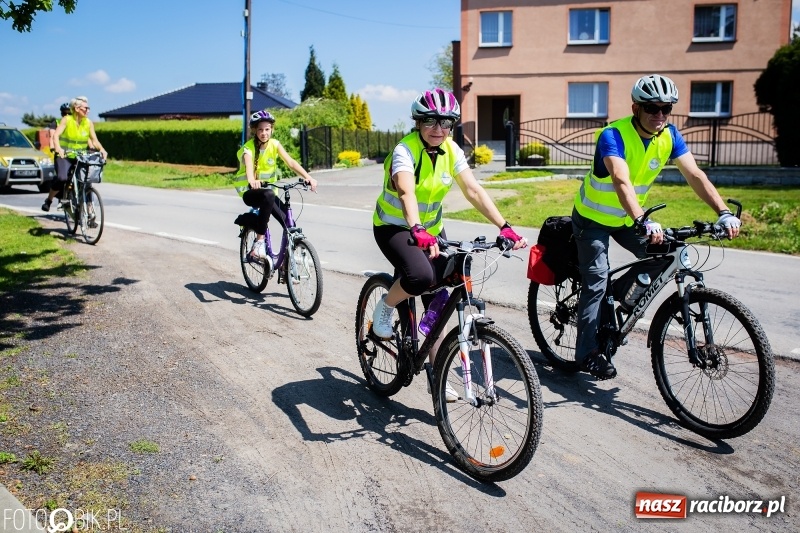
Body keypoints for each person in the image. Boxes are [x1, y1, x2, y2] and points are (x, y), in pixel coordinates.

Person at [572, 74, 741, 380]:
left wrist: (724, 211)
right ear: (636, 107)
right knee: (596, 281)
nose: (660, 114)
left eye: (666, 108)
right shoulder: (613, 135)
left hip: (627, 220)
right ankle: (587, 353)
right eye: (653, 108)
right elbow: (621, 180)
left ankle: (619, 296)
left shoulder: (669, 136)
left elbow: (695, 175)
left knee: (671, 253)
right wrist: (643, 220)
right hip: (593, 219)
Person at [370, 88, 527, 399]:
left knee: (441, 298)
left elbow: (473, 190)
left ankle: (436, 374)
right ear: (418, 122)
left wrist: (504, 226)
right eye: (430, 121)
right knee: (421, 277)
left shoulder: (452, 150)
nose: (438, 129)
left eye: (446, 122)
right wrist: (416, 227)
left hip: (431, 229)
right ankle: (386, 307)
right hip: (394, 227)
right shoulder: (405, 150)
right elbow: (406, 193)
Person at [233, 109, 317, 264]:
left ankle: (287, 264)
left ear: (272, 129)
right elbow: (249, 166)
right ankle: (258, 244)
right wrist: (252, 180)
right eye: (260, 130)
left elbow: (291, 162)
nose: (264, 133)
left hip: (268, 194)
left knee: (289, 223)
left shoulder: (275, 145)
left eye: (267, 129)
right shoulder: (248, 148)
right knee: (269, 195)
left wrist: (308, 177)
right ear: (255, 131)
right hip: (250, 192)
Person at [42, 96, 107, 212]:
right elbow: (55, 135)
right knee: (62, 178)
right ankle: (49, 199)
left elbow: (94, 140)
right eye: (85, 108)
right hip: (65, 156)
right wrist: (58, 148)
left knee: (86, 182)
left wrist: (102, 149)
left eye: (88, 108)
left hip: (81, 157)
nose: (88, 111)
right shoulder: (67, 120)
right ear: (76, 109)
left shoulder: (88, 123)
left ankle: (89, 213)